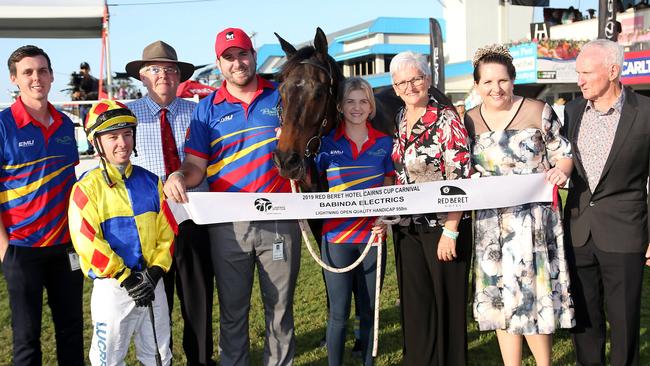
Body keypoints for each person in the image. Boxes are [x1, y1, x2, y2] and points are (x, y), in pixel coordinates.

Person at [163, 27, 301, 366]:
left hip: (279, 219)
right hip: (227, 226)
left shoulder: (282, 97)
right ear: (219, 64)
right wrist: (180, 175)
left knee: (280, 310)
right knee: (233, 311)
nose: (237, 63)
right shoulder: (207, 109)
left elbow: (305, 151)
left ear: (253, 56)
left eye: (242, 54)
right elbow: (196, 165)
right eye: (229, 58)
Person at [464, 44, 575, 366]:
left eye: (502, 81)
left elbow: (563, 152)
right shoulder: (469, 121)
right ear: (477, 86)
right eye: (487, 82)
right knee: (499, 297)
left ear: (513, 81)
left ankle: (544, 363)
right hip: (491, 224)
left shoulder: (538, 110)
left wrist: (560, 170)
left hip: (533, 223)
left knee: (532, 294)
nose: (495, 88)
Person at [126, 40, 215, 366]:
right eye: (155, 69)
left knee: (198, 302)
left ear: (179, 77)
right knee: (152, 307)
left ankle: (201, 361)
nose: (163, 75)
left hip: (193, 222)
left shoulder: (199, 113)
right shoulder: (126, 117)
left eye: (170, 69)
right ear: (142, 77)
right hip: (149, 229)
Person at [68, 100, 175, 365]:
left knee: (159, 356)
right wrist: (126, 278)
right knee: (108, 360)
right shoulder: (86, 188)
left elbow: (168, 232)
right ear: (97, 143)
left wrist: (156, 271)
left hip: (152, 282)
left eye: (127, 134)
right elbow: (87, 243)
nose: (123, 143)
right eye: (113, 136)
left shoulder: (151, 181)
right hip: (114, 288)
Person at [564, 39, 650, 366]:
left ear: (613, 71)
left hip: (626, 231)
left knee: (624, 319)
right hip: (578, 230)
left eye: (587, 72)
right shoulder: (571, 112)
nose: (580, 80)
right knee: (584, 319)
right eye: (578, 73)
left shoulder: (645, 113)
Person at [0, 45, 84, 366]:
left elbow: (71, 182)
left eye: (43, 71)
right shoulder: (3, 126)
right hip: (22, 250)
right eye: (28, 72)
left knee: (72, 331)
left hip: (67, 248)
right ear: (15, 79)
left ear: (51, 76)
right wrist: (5, 251)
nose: (37, 78)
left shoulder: (65, 124)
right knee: (26, 339)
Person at [389, 51, 473, 366]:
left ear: (428, 79)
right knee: (416, 304)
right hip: (407, 227)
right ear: (395, 88)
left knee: (447, 305)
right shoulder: (399, 118)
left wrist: (451, 230)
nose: (410, 87)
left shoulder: (447, 119)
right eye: (402, 82)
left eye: (416, 79)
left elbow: (461, 178)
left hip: (443, 227)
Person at [315, 77, 394, 366]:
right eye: (350, 101)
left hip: (373, 238)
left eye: (363, 101)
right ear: (340, 106)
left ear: (371, 106)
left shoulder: (385, 143)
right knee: (338, 313)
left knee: (369, 310)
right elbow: (304, 179)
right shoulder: (325, 145)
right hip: (335, 239)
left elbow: (390, 190)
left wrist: (385, 219)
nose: (356, 107)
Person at [78, 62, 99, 155]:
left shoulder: (93, 80)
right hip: (82, 107)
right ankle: (90, 149)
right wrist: (76, 95)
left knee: (93, 127)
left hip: (90, 107)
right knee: (85, 128)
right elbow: (73, 91)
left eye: (85, 68)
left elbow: (96, 93)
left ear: (88, 69)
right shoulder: (77, 80)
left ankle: (96, 148)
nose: (84, 70)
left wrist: (84, 95)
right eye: (82, 68)